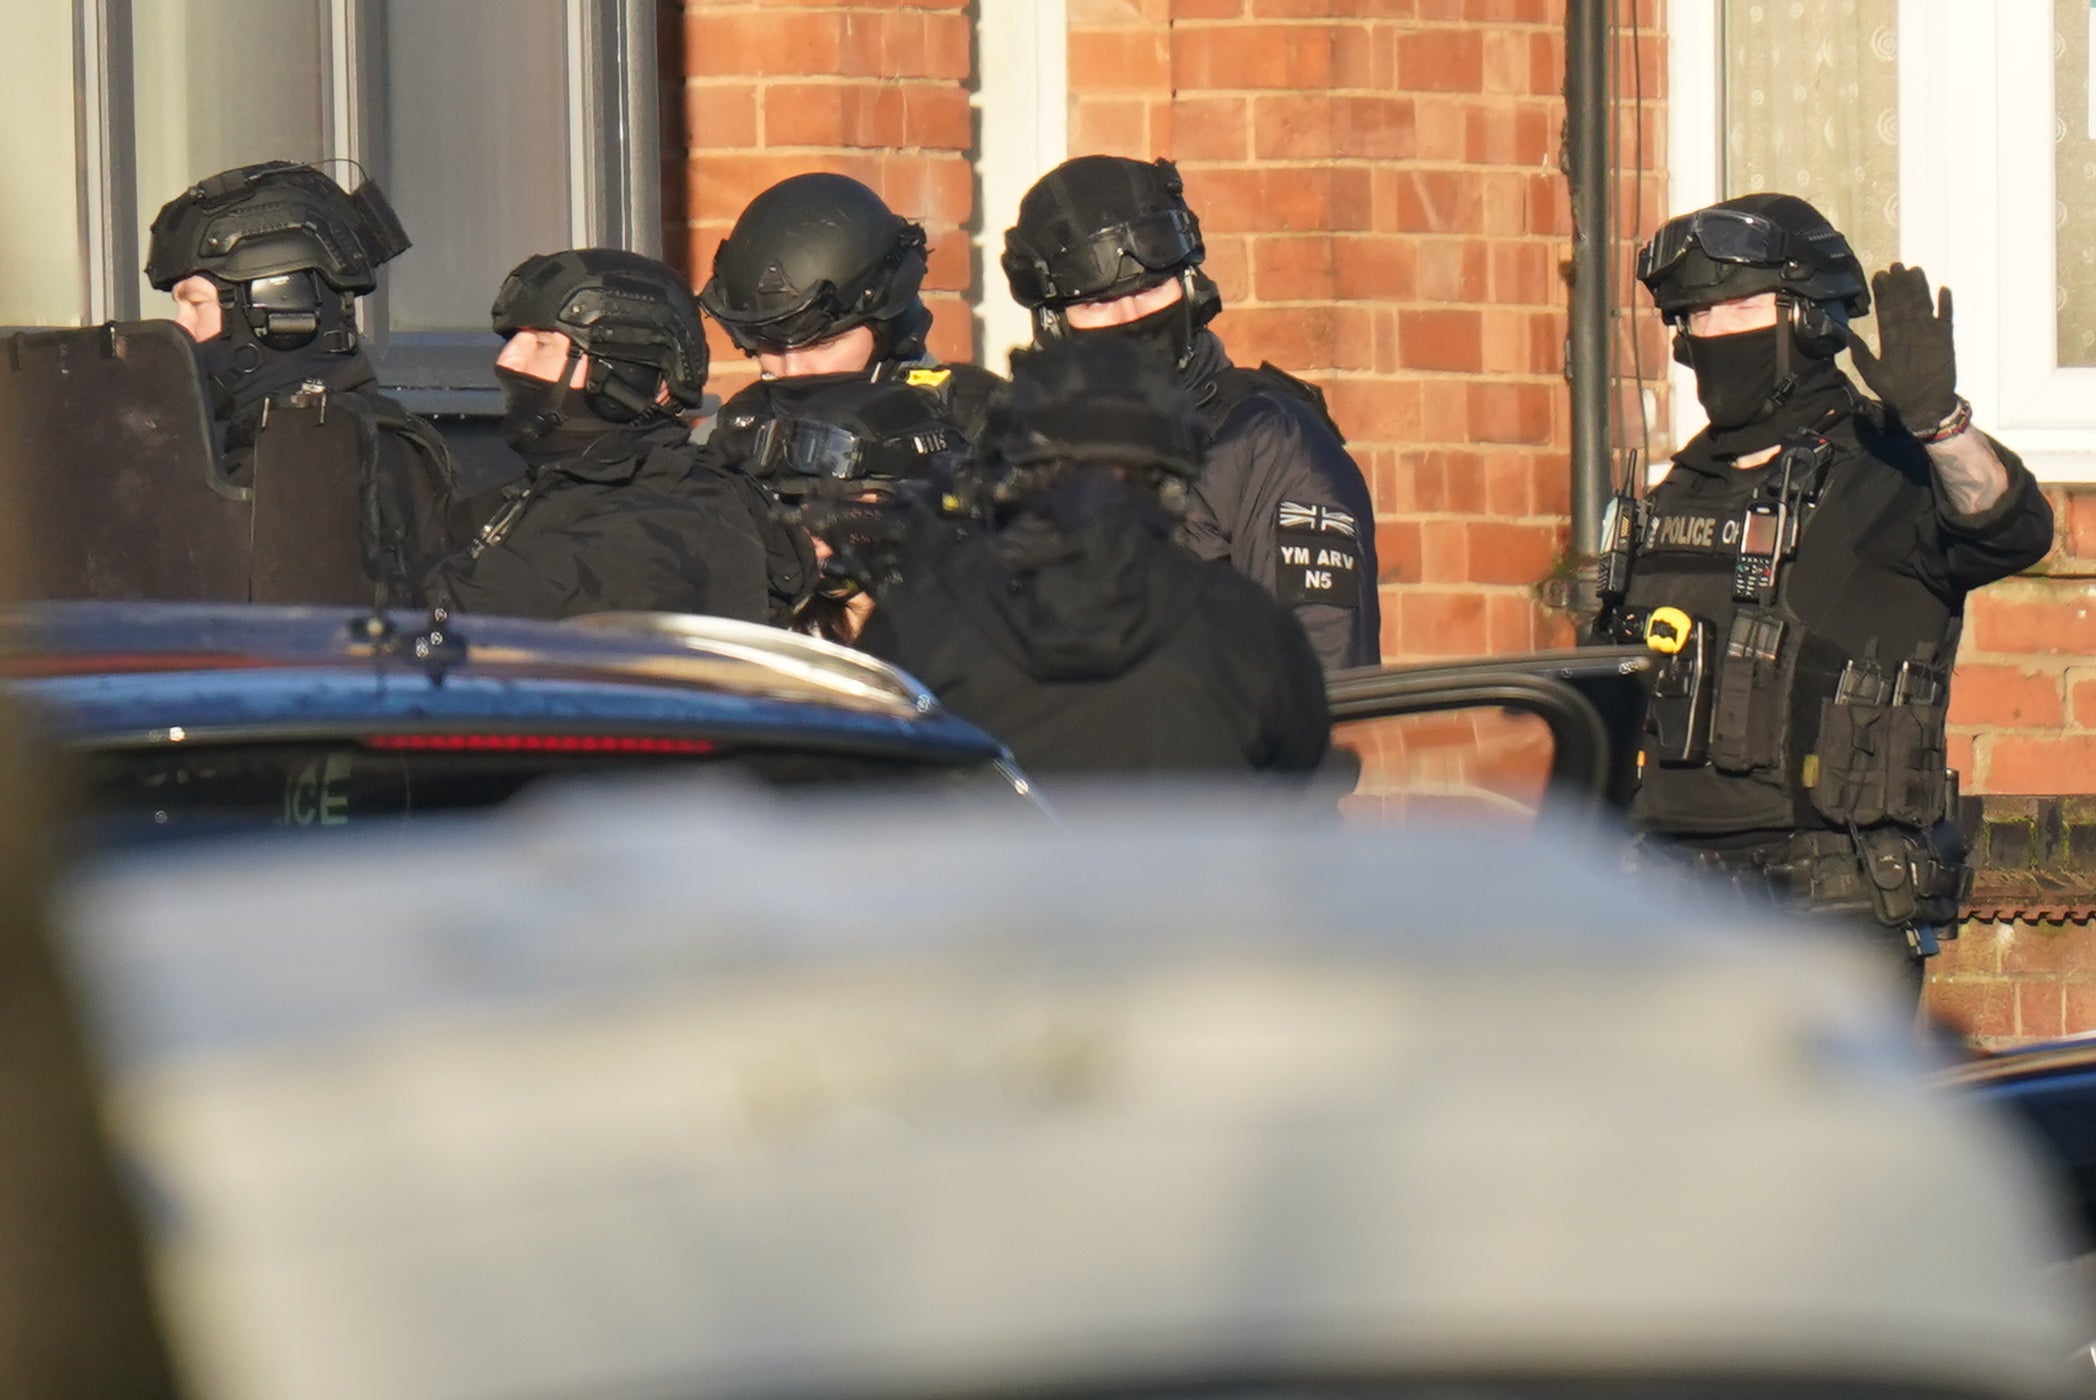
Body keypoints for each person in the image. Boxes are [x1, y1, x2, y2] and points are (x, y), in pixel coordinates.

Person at [1597, 192, 2055, 984]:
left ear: (1811, 320)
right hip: (1660, 910)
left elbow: (2008, 528)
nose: (1711, 333)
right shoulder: (1673, 494)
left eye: (1738, 306)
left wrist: (1940, 425)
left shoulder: (1885, 470)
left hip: (1826, 916)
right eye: (1693, 317)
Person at [854, 337, 1330, 781]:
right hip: (1189, 873)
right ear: (1173, 472)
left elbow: (853, 798)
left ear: (1011, 464)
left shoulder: (922, 616)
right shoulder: (1247, 627)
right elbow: (1301, 789)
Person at [1001, 155, 1381, 672]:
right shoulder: (1014, 458)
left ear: (1190, 285)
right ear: (1052, 323)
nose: (1133, 318)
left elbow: (1324, 676)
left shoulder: (1266, 442)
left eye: (1151, 288)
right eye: (1099, 304)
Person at [425, 248, 811, 623]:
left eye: (542, 344)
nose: (508, 360)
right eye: (512, 341)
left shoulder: (680, 517)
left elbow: (483, 606)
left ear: (626, 372)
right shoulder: (538, 492)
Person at [146, 160, 469, 604]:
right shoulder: (254, 440)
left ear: (277, 305)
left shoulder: (347, 450)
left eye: (195, 304)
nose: (183, 329)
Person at [698, 171, 1003, 448]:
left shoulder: (983, 433)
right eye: (771, 345)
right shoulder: (726, 442)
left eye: (822, 344)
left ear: (890, 329)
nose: (791, 371)